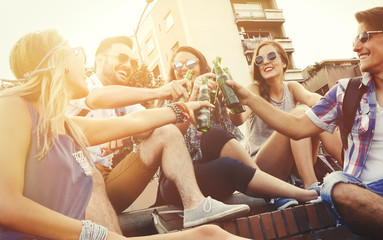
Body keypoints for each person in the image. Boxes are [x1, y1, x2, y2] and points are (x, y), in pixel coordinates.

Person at [0, 29, 252, 240]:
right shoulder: (12, 106)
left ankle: (197, 207)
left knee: (209, 234)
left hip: (96, 232)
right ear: (58, 62)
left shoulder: (67, 125)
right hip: (87, 234)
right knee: (94, 175)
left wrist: (183, 108)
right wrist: (96, 234)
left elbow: (137, 121)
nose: (82, 62)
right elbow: (6, 205)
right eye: (77, 53)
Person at [227, 7, 383, 239]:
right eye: (259, 59)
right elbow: (297, 127)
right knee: (335, 183)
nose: (355, 47)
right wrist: (248, 98)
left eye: (364, 37)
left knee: (310, 117)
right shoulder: (344, 91)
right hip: (363, 191)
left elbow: (312, 103)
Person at [66, 36, 250, 230]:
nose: (128, 65)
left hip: (107, 182)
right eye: (121, 57)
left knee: (166, 131)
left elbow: (162, 130)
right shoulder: (82, 87)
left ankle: (195, 205)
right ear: (100, 59)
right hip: (75, 183)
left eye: (131, 61)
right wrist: (159, 92)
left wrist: (188, 107)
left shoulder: (128, 103)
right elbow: (98, 98)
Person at [157, 46, 318, 209]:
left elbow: (230, 135)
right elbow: (170, 137)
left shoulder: (213, 95)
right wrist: (192, 96)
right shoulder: (169, 99)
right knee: (212, 135)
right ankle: (275, 194)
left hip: (216, 172)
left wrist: (229, 99)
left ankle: (281, 191)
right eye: (177, 66)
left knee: (215, 137)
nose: (184, 68)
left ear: (202, 68)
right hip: (182, 177)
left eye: (190, 63)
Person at [228, 40, 342, 193]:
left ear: (283, 61)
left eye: (271, 56)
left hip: (294, 166)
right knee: (298, 115)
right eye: (259, 60)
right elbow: (238, 119)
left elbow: (313, 99)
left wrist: (341, 104)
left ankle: (351, 169)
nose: (266, 62)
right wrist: (232, 105)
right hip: (266, 168)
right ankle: (311, 184)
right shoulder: (253, 91)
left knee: (317, 115)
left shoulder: (292, 87)